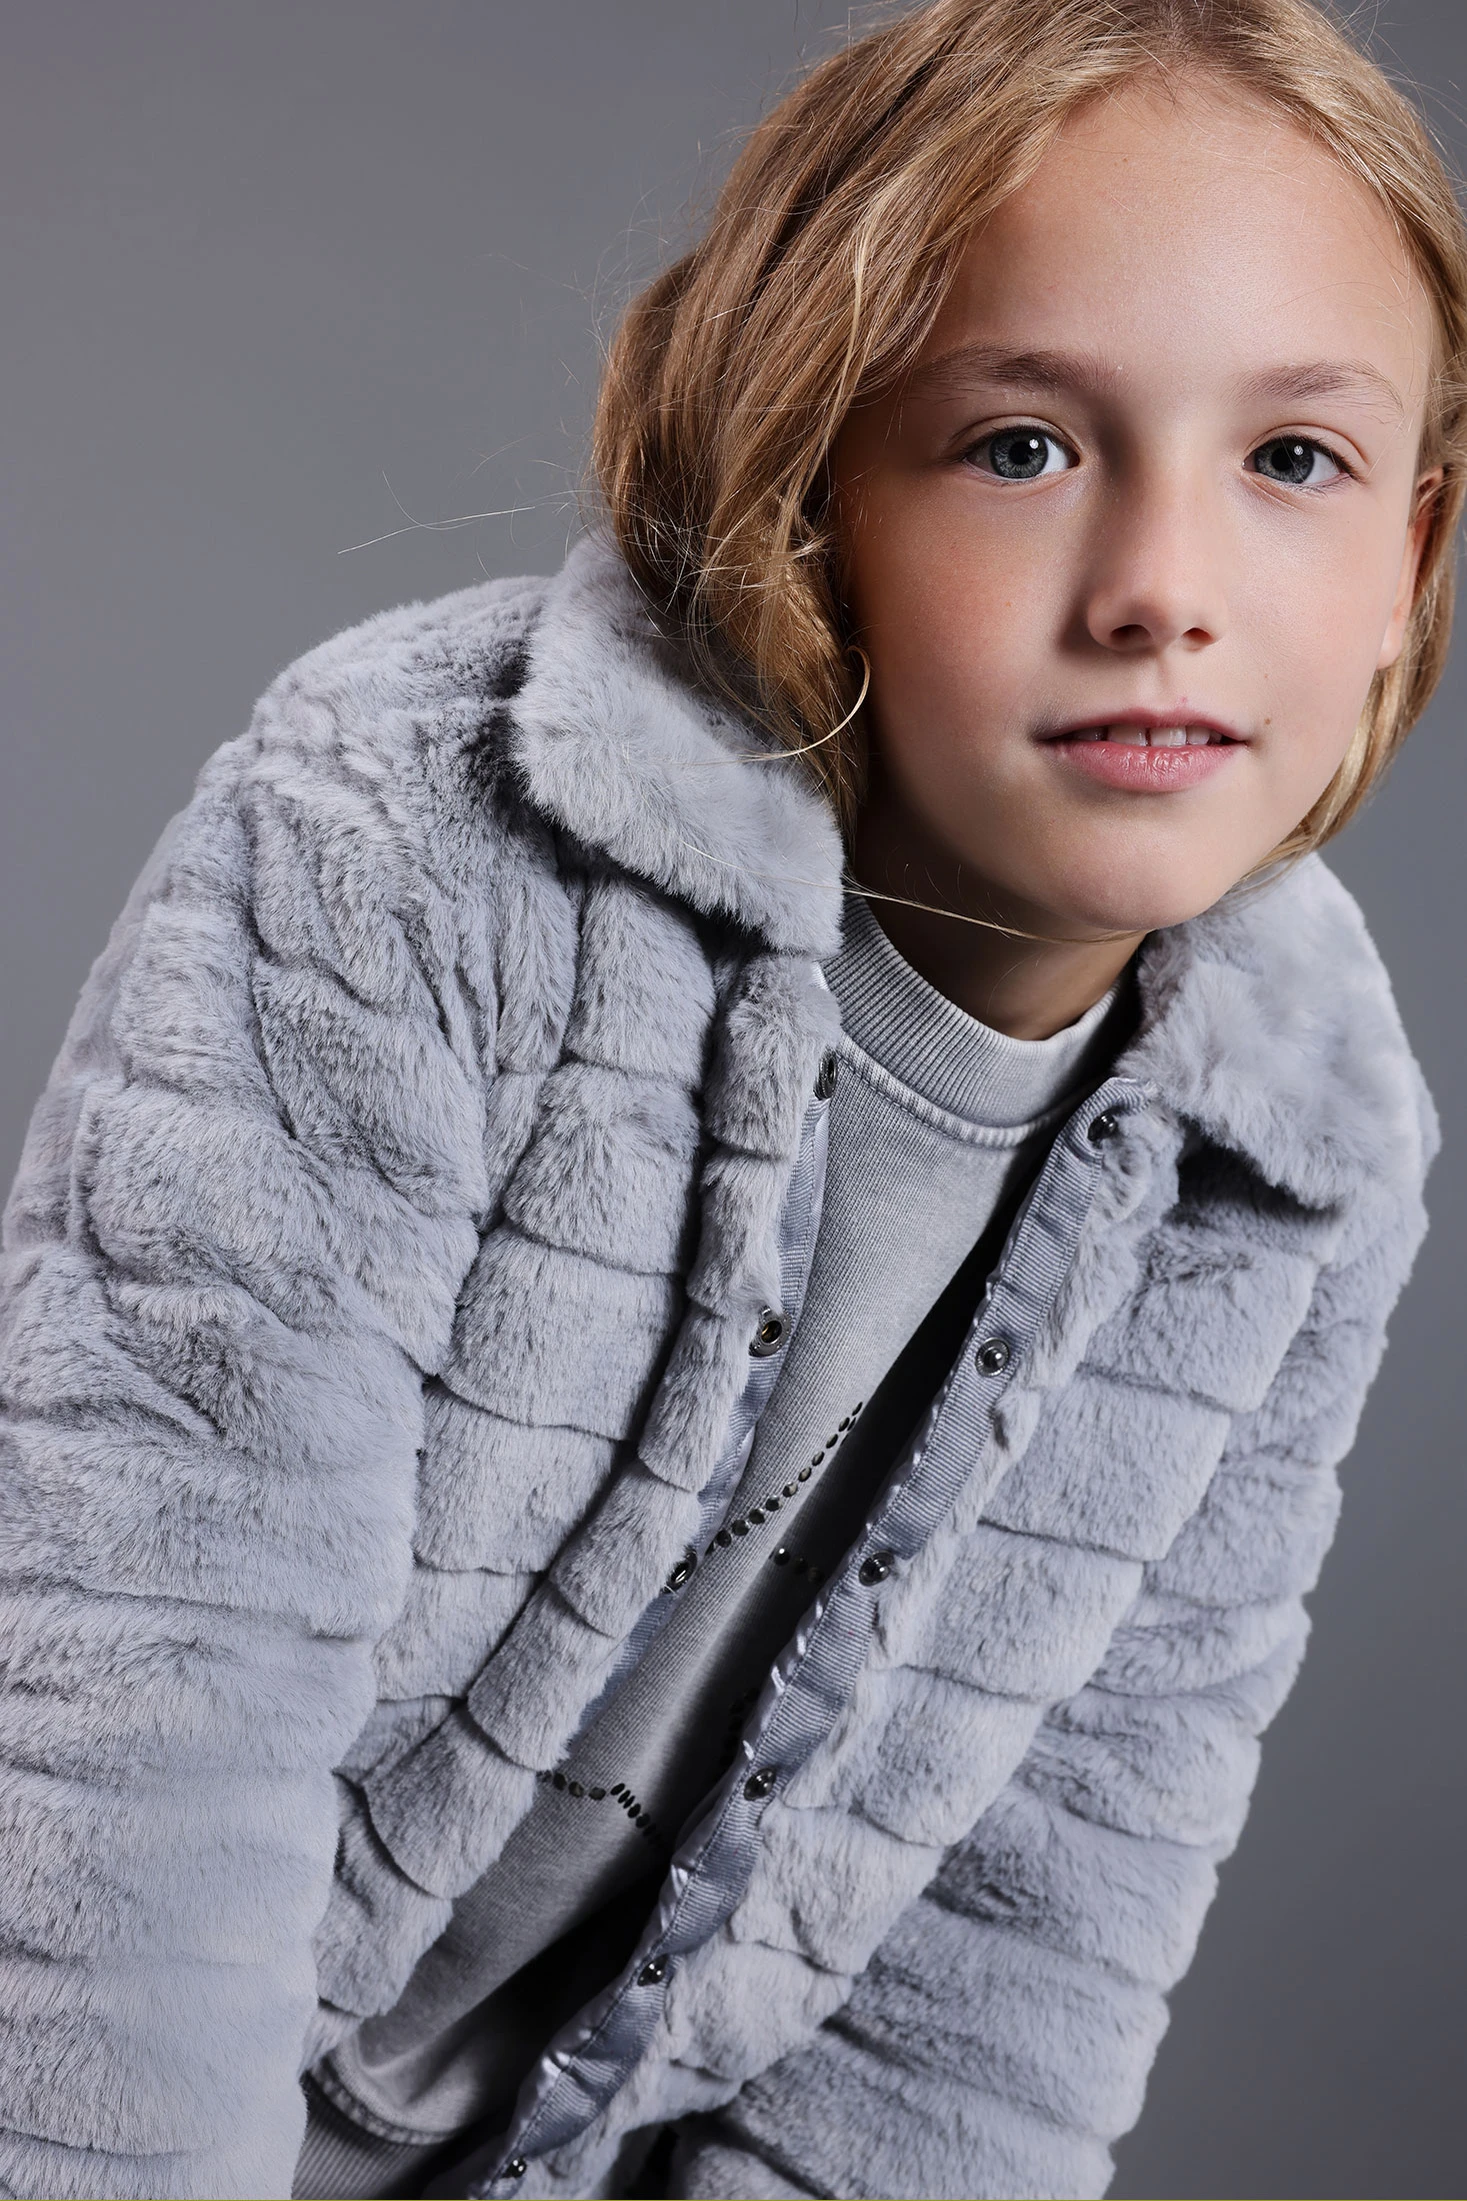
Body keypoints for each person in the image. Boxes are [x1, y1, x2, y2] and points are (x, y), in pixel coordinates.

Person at [0, 1, 1459, 2196]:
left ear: (1409, 565)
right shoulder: (414, 832)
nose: (1164, 592)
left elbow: (1006, 1979)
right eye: (1019, 447)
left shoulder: (1299, 1151)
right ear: (805, 490)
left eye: (1293, 461)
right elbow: (131, 1731)